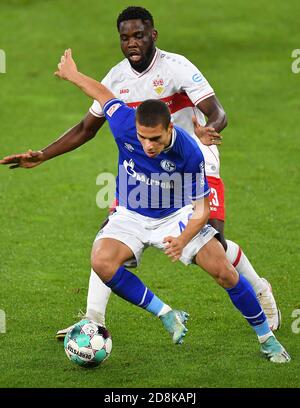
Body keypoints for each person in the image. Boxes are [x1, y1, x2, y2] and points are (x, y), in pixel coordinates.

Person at [0, 7, 280, 335]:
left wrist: (210, 129)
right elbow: (86, 128)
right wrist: (43, 155)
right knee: (110, 235)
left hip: (195, 162)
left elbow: (216, 111)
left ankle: (259, 287)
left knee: (214, 242)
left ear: (153, 35)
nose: (132, 43)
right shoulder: (116, 79)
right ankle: (93, 321)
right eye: (125, 37)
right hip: (145, 168)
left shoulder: (177, 67)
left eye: (139, 35)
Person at [54, 49, 289, 363]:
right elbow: (101, 92)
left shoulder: (189, 152)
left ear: (169, 130)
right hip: (132, 212)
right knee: (102, 261)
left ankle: (267, 338)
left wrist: (181, 240)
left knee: (223, 271)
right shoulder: (125, 123)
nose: (147, 146)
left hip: (175, 213)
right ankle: (166, 314)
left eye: (154, 139)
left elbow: (201, 209)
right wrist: (72, 74)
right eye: (142, 138)